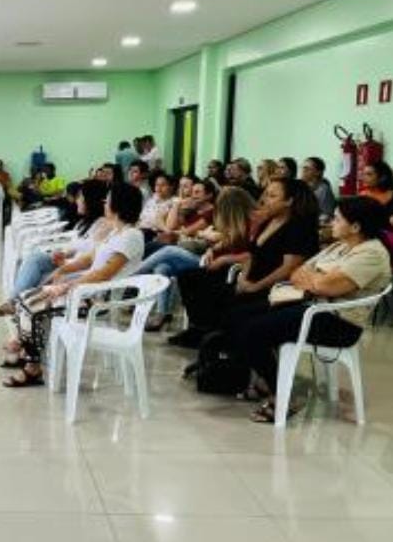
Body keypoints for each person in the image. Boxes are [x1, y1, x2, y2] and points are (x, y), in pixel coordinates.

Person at [232, 196, 391, 423]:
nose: (331, 223)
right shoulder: (340, 246)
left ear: (355, 226)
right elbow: (297, 273)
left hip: (338, 323)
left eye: (337, 219)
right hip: (313, 307)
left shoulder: (371, 254)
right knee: (239, 315)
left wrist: (317, 280)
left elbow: (328, 286)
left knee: (253, 331)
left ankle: (284, 394)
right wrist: (318, 280)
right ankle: (266, 381)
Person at [1, 182, 145, 387]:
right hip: (85, 290)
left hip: (95, 299)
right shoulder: (116, 232)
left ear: (118, 204)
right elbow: (88, 259)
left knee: (33, 307)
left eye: (109, 198)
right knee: (25, 300)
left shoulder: (132, 236)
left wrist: (68, 285)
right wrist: (62, 270)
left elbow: (104, 274)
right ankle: (29, 356)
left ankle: (32, 368)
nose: (105, 202)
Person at [169, 178, 320, 347]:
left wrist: (255, 286)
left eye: (272, 196)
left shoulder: (299, 227)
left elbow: (288, 268)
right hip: (251, 279)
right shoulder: (270, 221)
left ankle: (215, 343)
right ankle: (205, 334)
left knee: (221, 302)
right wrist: (243, 278)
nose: (265, 200)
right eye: (266, 194)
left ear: (289, 201)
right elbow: (251, 255)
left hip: (273, 287)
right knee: (189, 277)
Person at [138, 187, 257, 331]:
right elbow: (222, 243)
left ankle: (135, 272)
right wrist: (210, 250)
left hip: (220, 266)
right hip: (209, 259)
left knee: (169, 251)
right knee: (162, 267)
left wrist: (222, 257)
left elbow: (249, 254)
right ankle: (162, 314)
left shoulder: (250, 225)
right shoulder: (236, 224)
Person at [0, 179, 110, 316]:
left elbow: (92, 259)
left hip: (78, 269)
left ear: (91, 200)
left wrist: (66, 263)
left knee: (35, 261)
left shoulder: (104, 226)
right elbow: (75, 247)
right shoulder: (85, 222)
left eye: (80, 197)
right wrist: (63, 253)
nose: (77, 200)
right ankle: (16, 303)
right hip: (69, 262)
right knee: (35, 257)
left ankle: (15, 304)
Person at [138, 173, 176, 240]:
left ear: (171, 187)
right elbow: (141, 218)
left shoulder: (173, 202)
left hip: (155, 233)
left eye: (163, 185)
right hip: (140, 230)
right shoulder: (151, 201)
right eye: (157, 185)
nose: (159, 188)